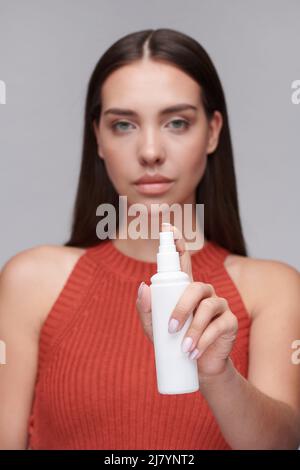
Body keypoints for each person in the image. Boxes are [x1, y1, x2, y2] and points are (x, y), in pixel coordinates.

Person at [0, 28, 300, 450]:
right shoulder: (30, 282)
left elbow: (283, 443)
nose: (150, 150)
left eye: (177, 122)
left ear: (212, 132)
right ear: (98, 139)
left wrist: (217, 374)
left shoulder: (273, 288)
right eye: (123, 124)